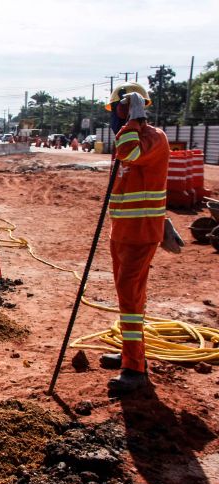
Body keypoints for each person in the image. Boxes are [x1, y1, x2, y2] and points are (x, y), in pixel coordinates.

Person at [98, 82, 184, 393]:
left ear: (133, 107)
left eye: (119, 110)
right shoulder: (131, 135)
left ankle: (135, 369)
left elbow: (129, 155)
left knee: (131, 296)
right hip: (122, 231)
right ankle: (130, 353)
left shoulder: (149, 137)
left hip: (140, 232)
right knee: (127, 294)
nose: (115, 118)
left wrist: (133, 121)